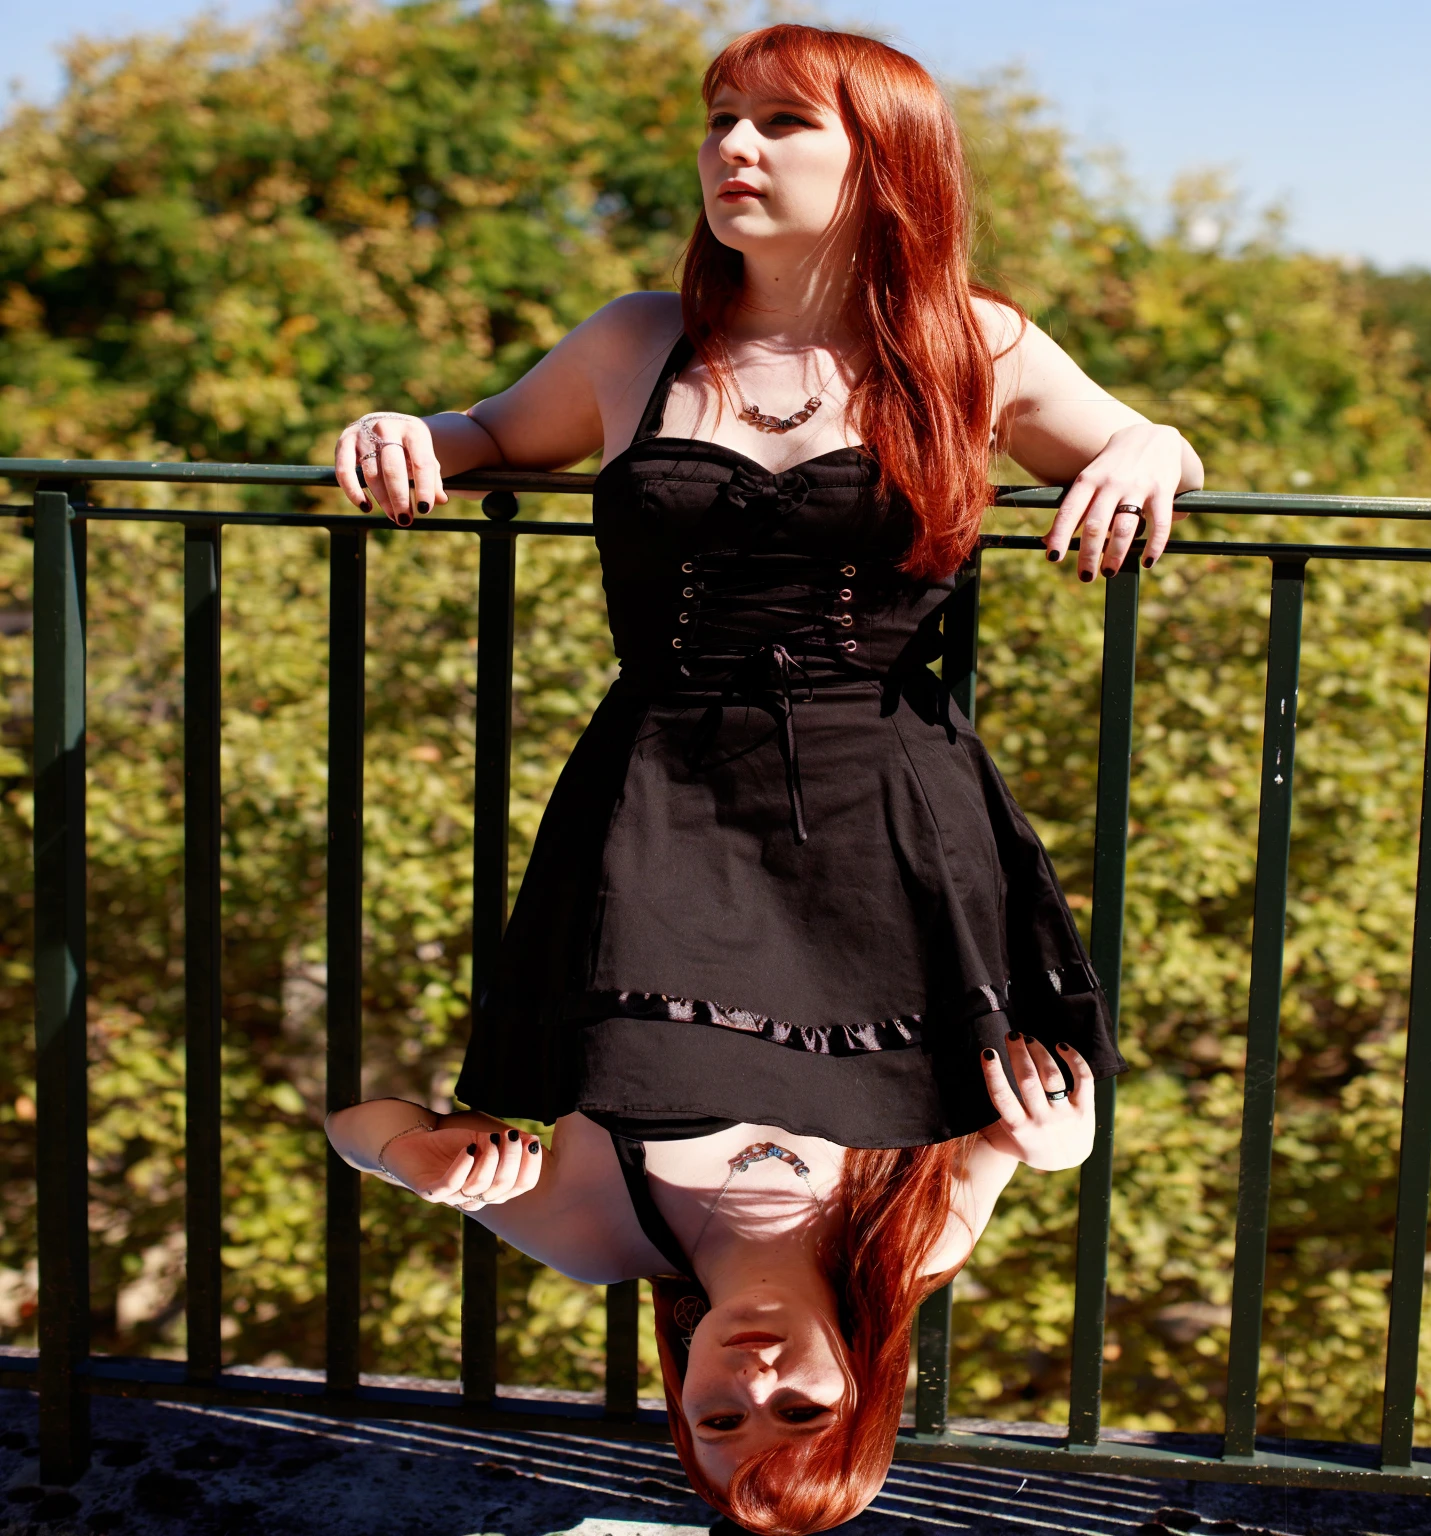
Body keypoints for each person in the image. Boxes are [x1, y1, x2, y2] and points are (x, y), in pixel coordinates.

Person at [329, 22, 1203, 1533]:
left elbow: (1126, 438)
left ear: (884, 163)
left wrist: (1155, 449)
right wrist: (416, 432)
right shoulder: (634, 340)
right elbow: (490, 438)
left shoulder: (971, 348)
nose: (737, 148)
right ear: (859, 1383)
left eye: (785, 124)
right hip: (667, 800)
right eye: (724, 118)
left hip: (888, 813)